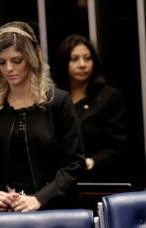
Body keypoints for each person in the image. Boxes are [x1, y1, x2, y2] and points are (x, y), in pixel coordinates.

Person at [0, 21, 85, 212]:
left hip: (55, 208)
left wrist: (40, 198)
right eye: (2, 62)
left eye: (17, 61)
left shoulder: (58, 102)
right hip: (5, 210)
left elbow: (74, 163)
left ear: (32, 59)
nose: (8, 68)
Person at [53, 34, 128, 183]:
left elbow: (120, 148)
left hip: (96, 179)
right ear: (63, 63)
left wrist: (93, 162)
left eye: (87, 58)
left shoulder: (109, 97)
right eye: (74, 59)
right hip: (58, 181)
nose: (82, 64)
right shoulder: (54, 98)